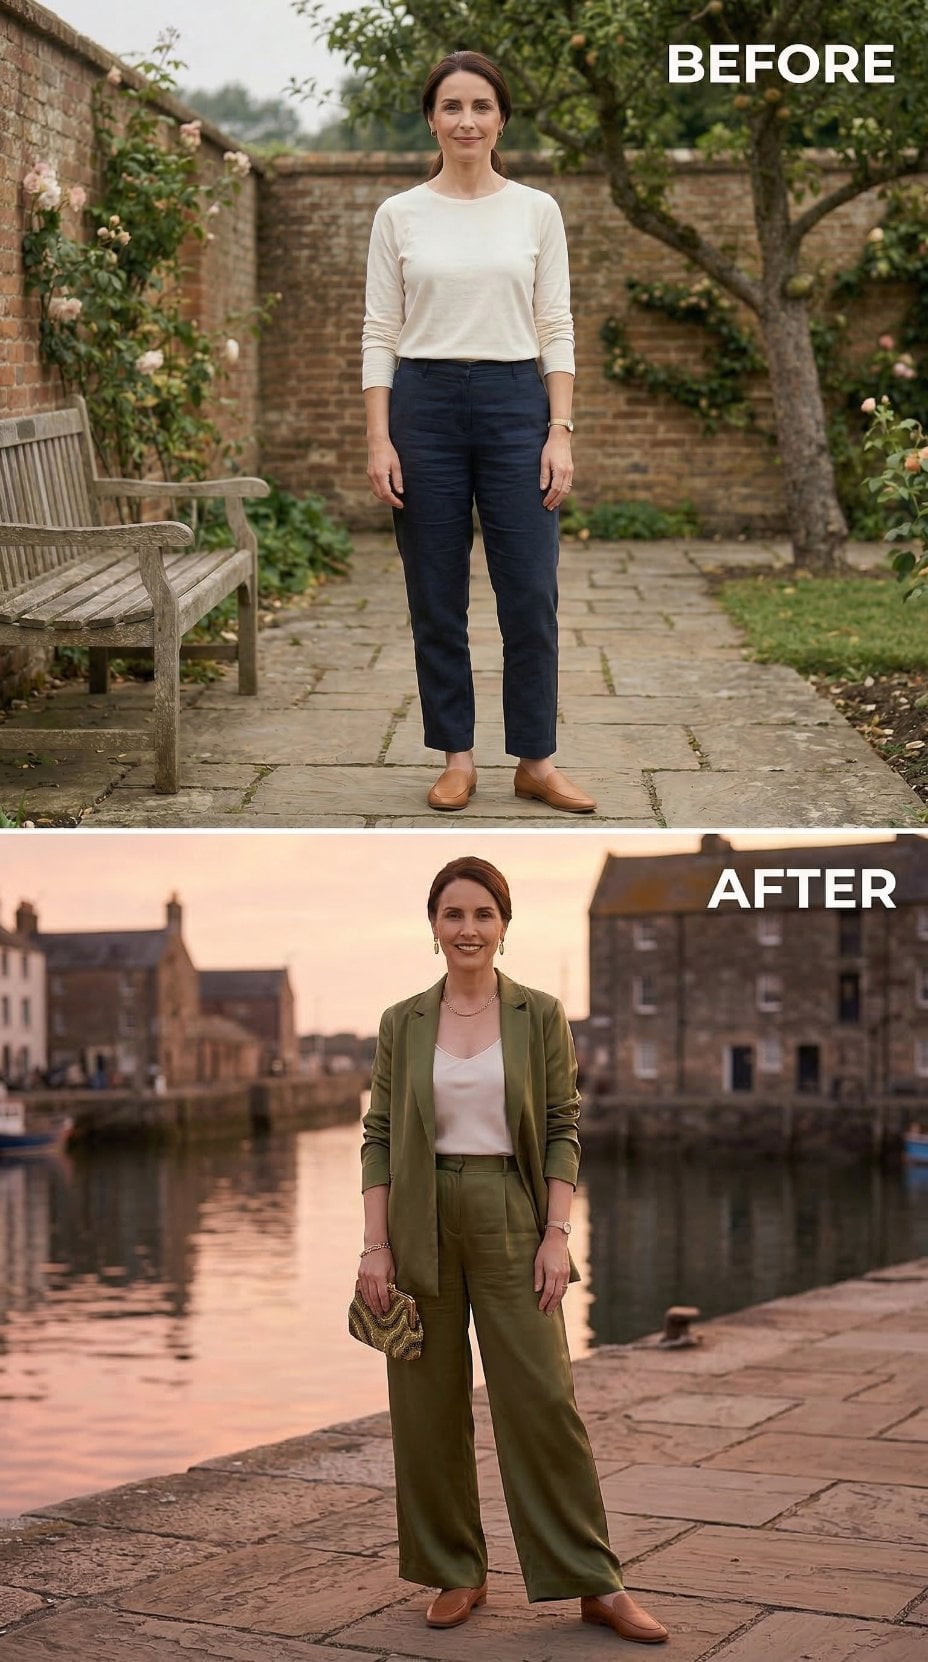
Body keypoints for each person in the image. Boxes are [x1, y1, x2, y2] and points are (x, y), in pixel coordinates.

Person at [358, 855, 668, 1643]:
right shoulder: (402, 1022)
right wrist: (375, 1246)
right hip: (419, 1216)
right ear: (433, 926)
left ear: (504, 924)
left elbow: (564, 1125)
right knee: (426, 1408)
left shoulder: (540, 1014)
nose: (468, 929)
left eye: (482, 914)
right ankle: (457, 1570)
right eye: (453, 914)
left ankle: (594, 1583)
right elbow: (380, 1136)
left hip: (511, 1210)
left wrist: (556, 1234)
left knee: (544, 1402)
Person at [361, 51, 597, 816]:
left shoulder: (536, 211)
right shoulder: (399, 215)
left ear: (502, 119)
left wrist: (558, 429)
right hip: (422, 406)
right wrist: (379, 438)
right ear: (431, 118)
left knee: (529, 592)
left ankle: (535, 759)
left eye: (482, 106)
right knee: (436, 594)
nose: (467, 120)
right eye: (452, 106)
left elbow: (555, 325)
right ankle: (456, 757)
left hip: (513, 402)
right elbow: (379, 333)